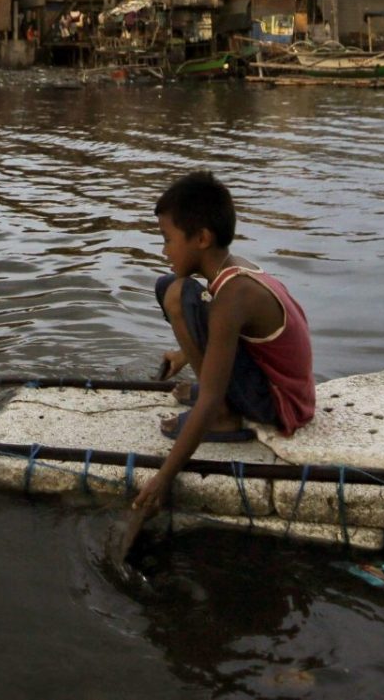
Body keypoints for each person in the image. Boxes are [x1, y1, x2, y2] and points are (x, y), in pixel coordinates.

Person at [131, 171, 316, 518]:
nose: (164, 249)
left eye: (168, 239)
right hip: (280, 387)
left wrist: (163, 478)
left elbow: (220, 324)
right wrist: (184, 354)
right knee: (168, 285)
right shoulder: (234, 271)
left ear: (201, 238)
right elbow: (231, 333)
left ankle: (221, 417)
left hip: (279, 404)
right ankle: (215, 398)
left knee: (179, 292)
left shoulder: (233, 296)